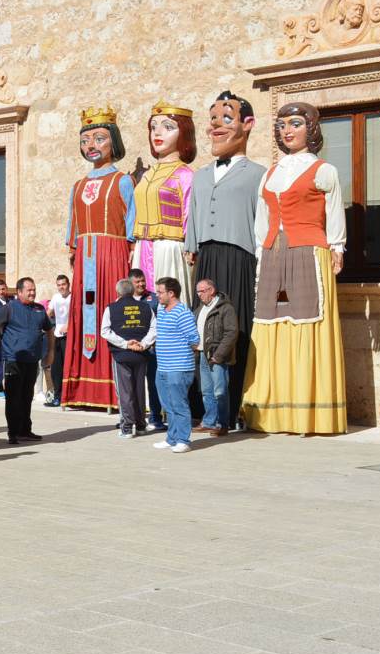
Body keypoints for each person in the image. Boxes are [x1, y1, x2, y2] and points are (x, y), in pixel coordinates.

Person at [242, 102, 347, 435]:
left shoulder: (323, 170)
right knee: (271, 324)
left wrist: (336, 247)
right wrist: (261, 250)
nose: (288, 131)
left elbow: (334, 213)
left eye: (296, 124)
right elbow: (262, 218)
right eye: (283, 125)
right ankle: (272, 411)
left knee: (307, 323)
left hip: (309, 252)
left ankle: (309, 413)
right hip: (274, 253)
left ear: (311, 129)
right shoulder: (270, 173)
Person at [183, 91, 266, 430]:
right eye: (213, 119)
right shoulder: (201, 175)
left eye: (226, 118)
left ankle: (230, 410)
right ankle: (202, 410)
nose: (216, 126)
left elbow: (263, 220)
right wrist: (191, 245)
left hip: (239, 257)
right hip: (207, 258)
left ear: (248, 125)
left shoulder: (259, 174)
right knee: (202, 330)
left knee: (233, 330)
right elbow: (193, 215)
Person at [62, 106, 135, 412]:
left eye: (99, 138)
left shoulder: (123, 180)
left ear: (113, 142)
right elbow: (72, 229)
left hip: (112, 255)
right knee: (82, 318)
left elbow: (131, 226)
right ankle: (81, 389)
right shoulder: (77, 186)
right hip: (85, 261)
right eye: (85, 140)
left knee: (111, 314)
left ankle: (113, 392)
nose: (91, 146)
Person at [133, 101, 198, 304]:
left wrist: (191, 247)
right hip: (143, 245)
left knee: (168, 302)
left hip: (170, 247)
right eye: (153, 127)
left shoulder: (185, 174)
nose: (157, 133)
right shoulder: (147, 174)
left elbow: (189, 213)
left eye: (167, 127)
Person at [0, 277, 51, 444]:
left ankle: (25, 430)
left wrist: (50, 352)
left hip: (32, 359)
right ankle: (13, 432)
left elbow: (49, 330)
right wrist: (5, 346)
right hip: (13, 359)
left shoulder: (39, 309)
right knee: (13, 397)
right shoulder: (9, 308)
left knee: (27, 396)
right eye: (29, 290)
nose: (32, 292)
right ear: (19, 292)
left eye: (34, 289)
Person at [101, 279, 155, 438]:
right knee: (139, 390)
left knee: (125, 392)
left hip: (121, 356)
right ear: (132, 291)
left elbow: (105, 331)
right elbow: (154, 329)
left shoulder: (111, 308)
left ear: (118, 292)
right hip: (141, 354)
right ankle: (140, 425)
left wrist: (125, 344)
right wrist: (143, 344)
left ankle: (126, 427)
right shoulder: (146, 307)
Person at [151, 278, 199, 453]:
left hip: (179, 368)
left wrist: (180, 353)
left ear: (171, 293)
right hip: (162, 367)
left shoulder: (183, 313)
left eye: (160, 292)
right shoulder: (161, 310)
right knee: (168, 404)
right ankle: (171, 438)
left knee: (179, 404)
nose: (157, 295)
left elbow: (194, 339)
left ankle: (183, 440)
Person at [193, 279, 239, 437]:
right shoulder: (201, 308)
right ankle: (209, 422)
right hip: (202, 355)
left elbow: (231, 333)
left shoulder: (225, 308)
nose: (199, 295)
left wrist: (218, 356)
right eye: (198, 291)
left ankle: (222, 424)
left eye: (202, 291)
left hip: (217, 357)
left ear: (211, 290)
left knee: (220, 391)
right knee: (207, 392)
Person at [129, 269, 164, 430]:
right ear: (130, 283)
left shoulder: (154, 299)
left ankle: (156, 418)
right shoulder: (125, 300)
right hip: (131, 350)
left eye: (143, 280)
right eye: (137, 282)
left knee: (153, 384)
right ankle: (132, 418)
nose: (142, 284)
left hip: (151, 350)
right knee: (131, 385)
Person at [44, 275, 70, 407]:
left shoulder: (73, 297)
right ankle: (57, 396)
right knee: (55, 367)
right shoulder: (55, 297)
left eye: (63, 284)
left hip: (69, 336)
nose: (61, 287)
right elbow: (48, 312)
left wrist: (69, 325)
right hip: (57, 335)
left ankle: (69, 397)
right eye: (59, 285)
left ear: (68, 284)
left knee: (68, 367)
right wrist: (41, 324)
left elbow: (78, 314)